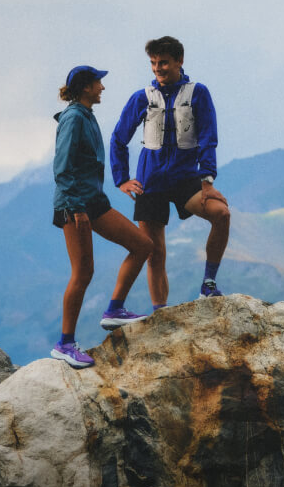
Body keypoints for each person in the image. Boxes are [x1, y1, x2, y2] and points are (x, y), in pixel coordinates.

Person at [110, 37, 230, 309]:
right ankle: (160, 313)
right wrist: (122, 179)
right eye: (153, 63)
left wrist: (207, 179)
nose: (157, 68)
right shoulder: (142, 97)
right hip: (150, 182)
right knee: (155, 253)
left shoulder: (197, 93)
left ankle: (208, 283)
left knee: (221, 214)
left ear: (179, 61)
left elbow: (208, 136)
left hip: (185, 178)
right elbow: (118, 138)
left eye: (163, 62)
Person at [51, 65, 153, 369]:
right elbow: (62, 167)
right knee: (83, 273)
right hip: (75, 206)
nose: (102, 88)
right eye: (98, 83)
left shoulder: (86, 115)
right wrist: (76, 207)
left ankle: (115, 310)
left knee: (142, 245)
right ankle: (65, 344)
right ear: (86, 87)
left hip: (93, 202)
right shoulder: (73, 118)